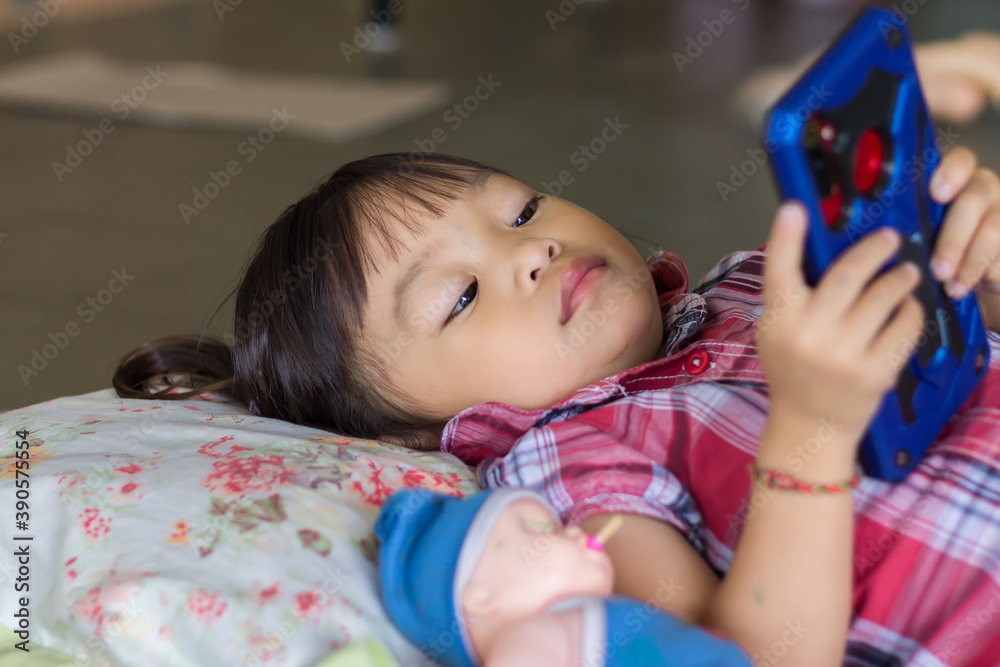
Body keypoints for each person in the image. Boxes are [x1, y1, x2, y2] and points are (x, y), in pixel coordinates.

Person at [112, 62, 1000, 667]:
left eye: (522, 207)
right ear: (425, 429)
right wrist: (812, 433)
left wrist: (976, 263)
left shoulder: (758, 279)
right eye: (458, 297)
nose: (529, 251)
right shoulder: (574, 465)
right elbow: (750, 654)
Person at [373, 485, 754, 666]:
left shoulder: (574, 622)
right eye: (546, 533)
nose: (574, 531)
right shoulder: (530, 644)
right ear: (479, 595)